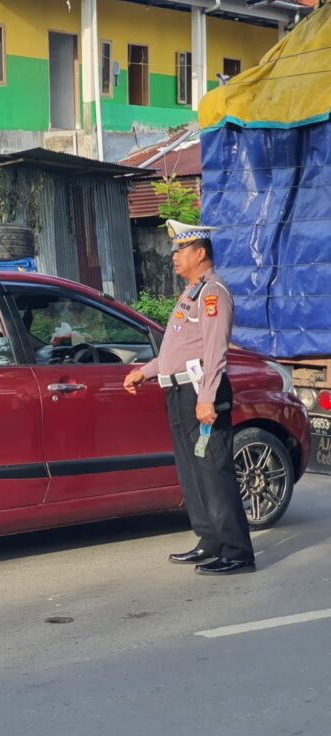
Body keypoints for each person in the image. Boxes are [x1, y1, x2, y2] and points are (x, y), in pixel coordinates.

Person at [123, 219, 255, 575]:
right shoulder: (191, 293)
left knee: (214, 470)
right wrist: (146, 371)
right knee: (192, 471)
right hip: (179, 391)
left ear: (200, 252)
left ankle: (237, 551)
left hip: (199, 392)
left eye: (180, 250)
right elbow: (178, 349)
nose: (174, 257)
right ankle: (211, 540)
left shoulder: (213, 293)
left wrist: (207, 397)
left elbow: (215, 351)